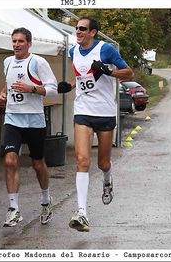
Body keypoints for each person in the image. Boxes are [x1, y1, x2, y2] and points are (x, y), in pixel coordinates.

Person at [58, 16, 134, 232]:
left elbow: (129, 73)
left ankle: (107, 179)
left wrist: (108, 71)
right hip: (83, 110)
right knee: (82, 160)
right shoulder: (73, 51)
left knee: (103, 163)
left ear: (93, 32)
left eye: (82, 29)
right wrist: (70, 85)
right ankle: (82, 212)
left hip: (105, 112)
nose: (78, 32)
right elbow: (83, 76)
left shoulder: (106, 49)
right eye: (77, 28)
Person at [0, 27, 58, 227]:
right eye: (14, 41)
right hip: (12, 118)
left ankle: (46, 200)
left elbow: (53, 89)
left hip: (34, 120)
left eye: (20, 41)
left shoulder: (38, 62)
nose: (16, 45)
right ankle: (14, 209)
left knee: (37, 164)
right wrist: (3, 93)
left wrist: (31, 88)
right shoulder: (7, 62)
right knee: (9, 161)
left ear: (29, 43)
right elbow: (8, 83)